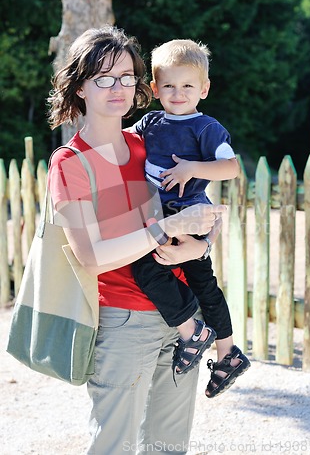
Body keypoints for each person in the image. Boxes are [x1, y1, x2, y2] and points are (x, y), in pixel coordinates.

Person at [47, 25, 225, 455]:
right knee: (115, 446)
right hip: (123, 323)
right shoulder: (69, 164)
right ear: (80, 87)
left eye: (127, 76)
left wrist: (201, 245)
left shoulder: (150, 143)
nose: (118, 87)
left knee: (168, 447)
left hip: (186, 318)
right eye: (103, 77)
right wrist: (165, 229)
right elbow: (89, 257)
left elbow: (198, 215)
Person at [131, 39, 250, 399]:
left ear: (204, 88)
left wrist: (192, 168)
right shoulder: (150, 121)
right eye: (168, 85)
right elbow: (120, 140)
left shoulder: (207, 128)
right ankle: (227, 353)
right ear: (154, 89)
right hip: (162, 213)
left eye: (187, 86)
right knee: (197, 280)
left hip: (189, 212)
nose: (178, 93)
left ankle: (197, 335)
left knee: (154, 268)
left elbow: (231, 167)